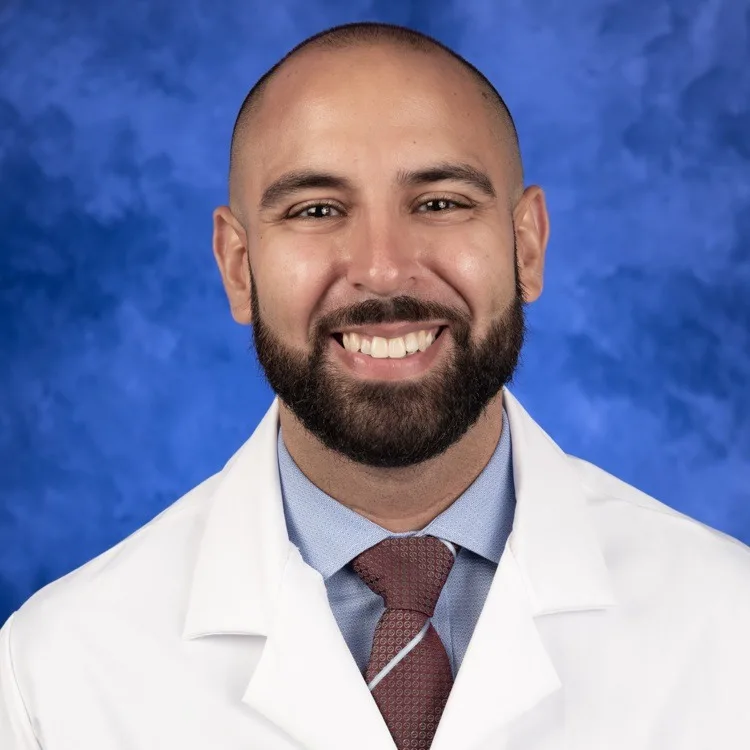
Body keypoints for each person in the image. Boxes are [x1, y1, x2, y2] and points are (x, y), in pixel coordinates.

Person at [1, 20, 749, 750]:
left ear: (526, 246)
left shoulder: (729, 624)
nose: (384, 269)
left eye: (440, 203)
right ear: (237, 267)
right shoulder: (57, 672)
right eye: (317, 211)